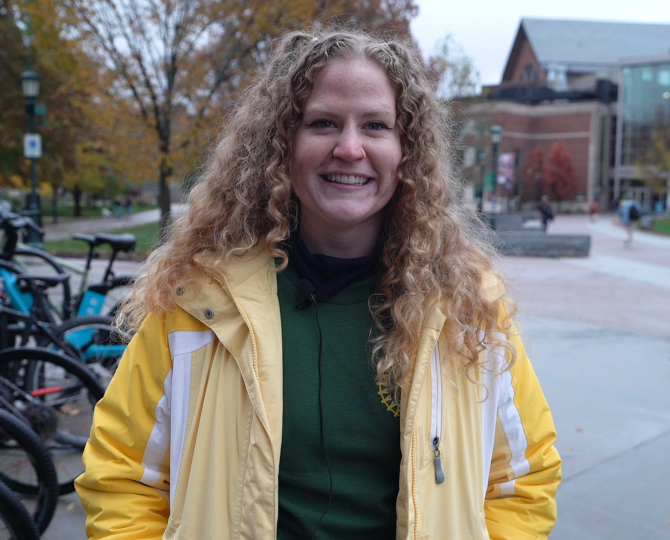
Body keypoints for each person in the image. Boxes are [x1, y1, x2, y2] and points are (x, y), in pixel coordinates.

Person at [75, 29, 561, 540]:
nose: (349, 148)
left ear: (407, 152)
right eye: (323, 123)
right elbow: (122, 474)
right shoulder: (198, 301)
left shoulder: (466, 307)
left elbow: (522, 480)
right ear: (283, 144)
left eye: (376, 126)